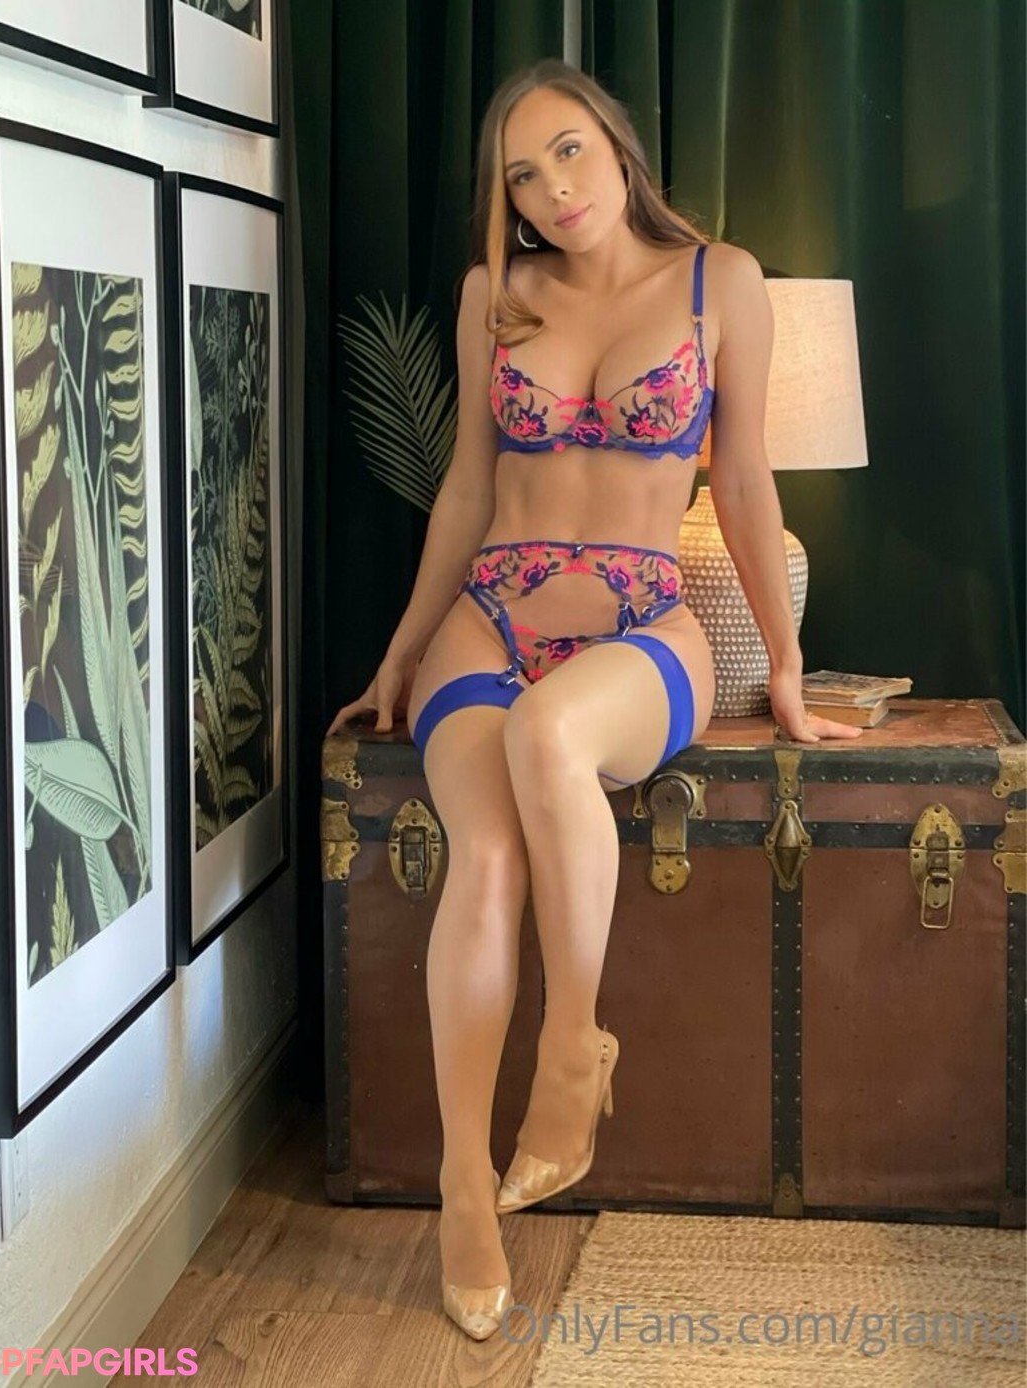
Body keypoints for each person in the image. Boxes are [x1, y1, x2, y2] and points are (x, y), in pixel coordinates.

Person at [326, 58, 863, 1342]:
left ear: (618, 146)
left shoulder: (720, 281)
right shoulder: (495, 293)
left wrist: (787, 667)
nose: (552, 189)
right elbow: (467, 488)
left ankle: (572, 1051)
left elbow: (744, 483)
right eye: (521, 174)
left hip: (643, 628)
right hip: (489, 620)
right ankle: (467, 1185)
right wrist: (403, 647)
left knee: (553, 731)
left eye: (569, 150)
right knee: (484, 855)